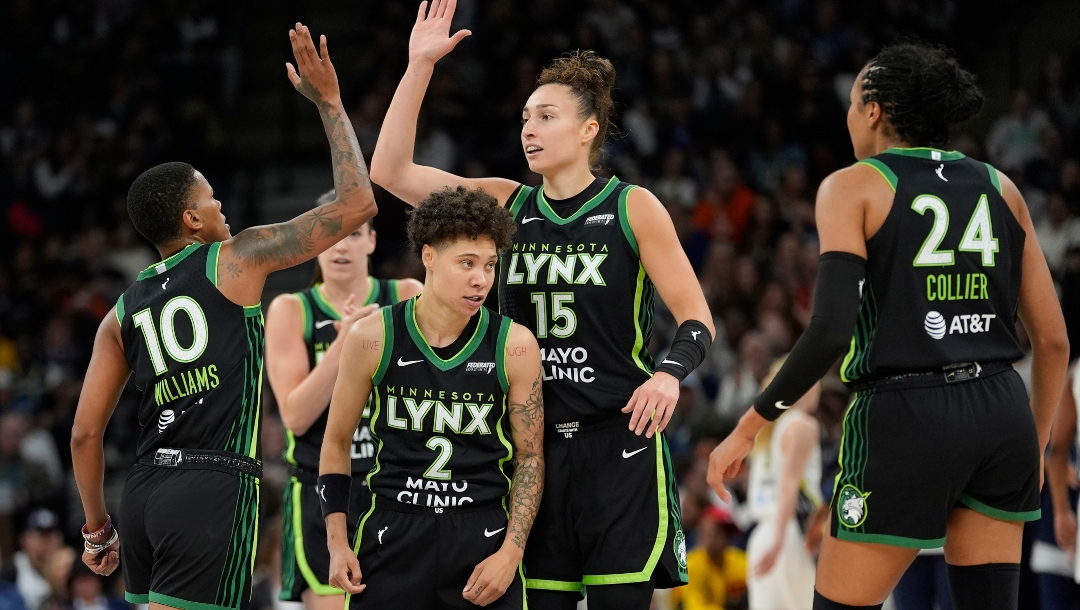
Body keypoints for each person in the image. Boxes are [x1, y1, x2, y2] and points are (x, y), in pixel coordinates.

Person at [369, 2, 715, 607]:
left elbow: (696, 318)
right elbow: (391, 170)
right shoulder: (508, 205)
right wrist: (419, 67)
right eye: (525, 117)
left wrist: (668, 374)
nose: (528, 129)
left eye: (546, 117)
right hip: (531, 453)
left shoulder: (633, 208)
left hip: (619, 444)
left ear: (589, 130)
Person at [706, 42, 1070, 610]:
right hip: (1001, 413)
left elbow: (829, 330)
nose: (848, 116)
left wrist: (750, 424)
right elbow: (1052, 340)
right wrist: (1037, 440)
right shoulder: (1004, 189)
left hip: (906, 414)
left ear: (873, 109)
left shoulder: (853, 185)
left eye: (852, 103)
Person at [69, 24, 378, 610]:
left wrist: (96, 529)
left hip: (143, 493)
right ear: (190, 219)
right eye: (211, 199)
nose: (221, 207)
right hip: (212, 487)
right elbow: (358, 204)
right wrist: (331, 103)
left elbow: (85, 434)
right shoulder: (236, 259)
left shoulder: (121, 308)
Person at [319, 187, 544, 609]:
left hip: (482, 537)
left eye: (490, 265)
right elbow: (335, 443)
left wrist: (511, 553)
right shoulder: (373, 336)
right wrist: (337, 542)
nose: (481, 278)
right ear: (428, 257)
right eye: (467, 263)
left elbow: (530, 457)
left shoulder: (514, 344)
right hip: (393, 530)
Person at [266, 192, 421, 610]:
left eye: (353, 235)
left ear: (371, 242)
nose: (340, 246)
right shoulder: (290, 309)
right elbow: (296, 416)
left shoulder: (407, 294)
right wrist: (347, 342)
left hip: (397, 485)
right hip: (324, 492)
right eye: (329, 236)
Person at [745, 358, 822, 610]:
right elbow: (789, 484)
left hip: (760, 535)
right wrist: (780, 541)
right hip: (787, 532)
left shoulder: (766, 427)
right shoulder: (802, 425)